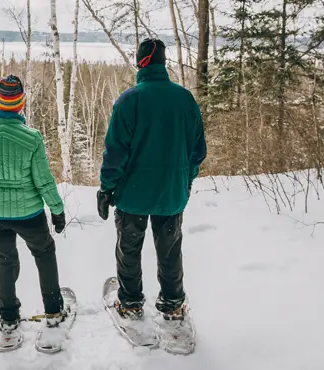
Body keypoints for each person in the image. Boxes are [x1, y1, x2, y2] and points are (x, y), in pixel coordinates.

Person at [97, 39, 207, 323]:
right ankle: (172, 303)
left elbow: (115, 153)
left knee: (129, 249)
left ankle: (131, 302)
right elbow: (197, 151)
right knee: (170, 250)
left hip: (132, 195)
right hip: (171, 193)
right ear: (162, 62)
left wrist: (107, 188)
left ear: (140, 62)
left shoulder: (129, 100)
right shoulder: (185, 99)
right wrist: (186, 181)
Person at [0, 75, 68, 350]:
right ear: (21, 103)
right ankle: (53, 310)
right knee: (45, 254)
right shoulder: (31, 139)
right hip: (29, 214)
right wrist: (57, 210)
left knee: (4, 261)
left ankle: (9, 319)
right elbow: (44, 180)